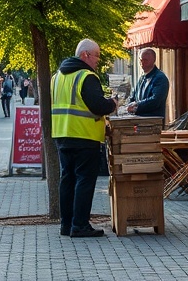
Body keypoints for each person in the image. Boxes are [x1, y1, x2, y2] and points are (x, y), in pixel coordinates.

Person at [51, 38, 117, 238]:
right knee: (84, 180)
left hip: (62, 135)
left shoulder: (57, 76)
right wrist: (112, 103)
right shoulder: (86, 76)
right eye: (96, 55)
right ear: (85, 55)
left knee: (67, 179)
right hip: (84, 136)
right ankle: (80, 225)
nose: (98, 60)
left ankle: (66, 224)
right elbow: (97, 106)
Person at [126, 48, 169, 119]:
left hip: (153, 121)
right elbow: (134, 97)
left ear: (153, 60)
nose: (142, 63)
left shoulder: (160, 78)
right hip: (139, 120)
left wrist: (137, 105)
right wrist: (128, 105)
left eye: (145, 60)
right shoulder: (142, 78)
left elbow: (155, 101)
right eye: (140, 60)